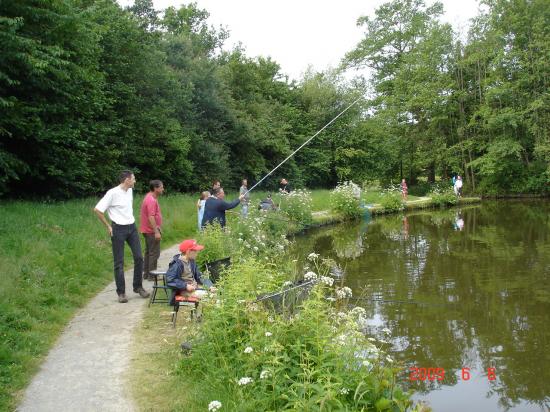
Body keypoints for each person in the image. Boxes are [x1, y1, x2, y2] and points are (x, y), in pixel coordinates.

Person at [94, 170, 150, 303]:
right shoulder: (112, 193)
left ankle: (138, 287)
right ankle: (121, 293)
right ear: (127, 180)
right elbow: (98, 210)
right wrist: (108, 226)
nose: (135, 181)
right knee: (119, 262)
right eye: (133, 179)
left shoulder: (130, 191)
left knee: (139, 257)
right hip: (118, 229)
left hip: (132, 227)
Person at [165, 239, 213, 304]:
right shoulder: (176, 264)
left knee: (215, 293)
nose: (197, 252)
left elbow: (200, 276)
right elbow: (170, 280)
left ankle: (200, 313)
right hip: (184, 290)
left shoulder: (191, 261)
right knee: (210, 296)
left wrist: (209, 285)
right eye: (195, 251)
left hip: (195, 287)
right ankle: (200, 313)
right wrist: (185, 286)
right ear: (188, 251)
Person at [140, 180, 164, 281]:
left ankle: (146, 274)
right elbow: (151, 216)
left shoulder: (150, 197)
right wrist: (156, 231)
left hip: (148, 229)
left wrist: (157, 227)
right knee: (154, 253)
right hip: (150, 231)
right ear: (156, 188)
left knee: (149, 252)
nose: (163, 189)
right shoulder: (151, 200)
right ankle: (152, 275)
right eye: (161, 187)